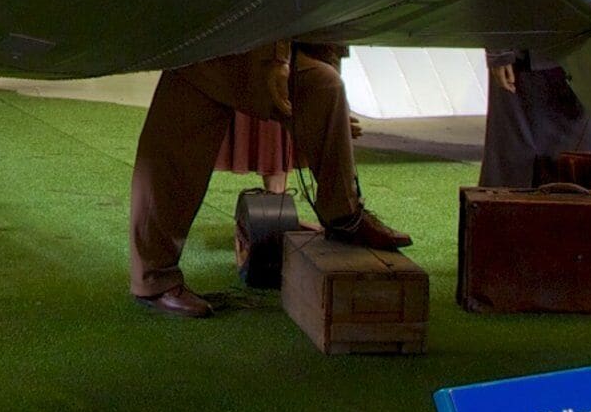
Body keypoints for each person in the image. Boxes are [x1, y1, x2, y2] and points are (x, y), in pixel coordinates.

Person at [128, 37, 410, 316]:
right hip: (213, 36)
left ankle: (344, 217)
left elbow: (324, 28)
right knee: (180, 125)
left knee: (324, 86)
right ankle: (154, 278)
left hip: (261, 42)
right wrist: (276, 60)